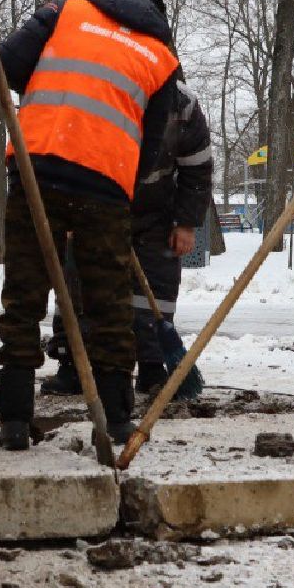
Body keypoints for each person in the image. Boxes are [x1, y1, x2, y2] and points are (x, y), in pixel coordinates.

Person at [0, 0, 188, 450]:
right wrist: (119, 189)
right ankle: (117, 418)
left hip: (37, 164)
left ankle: (14, 419)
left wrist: (54, 89)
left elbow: (8, 63)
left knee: (24, 292)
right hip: (105, 180)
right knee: (109, 301)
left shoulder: (67, 12)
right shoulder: (161, 58)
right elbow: (151, 143)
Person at [42, 43, 214, 398]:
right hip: (98, 203)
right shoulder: (101, 92)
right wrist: (71, 211)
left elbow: (197, 168)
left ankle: (151, 366)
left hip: (157, 211)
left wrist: (185, 223)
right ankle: (74, 364)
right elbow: (71, 153)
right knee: (80, 283)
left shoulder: (183, 106)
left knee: (156, 290)